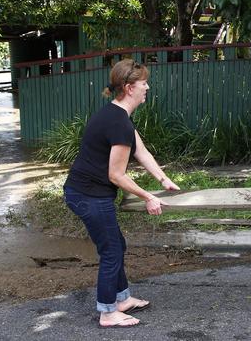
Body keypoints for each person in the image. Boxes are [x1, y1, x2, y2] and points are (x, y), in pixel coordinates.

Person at [63, 59, 180, 328]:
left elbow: (141, 151)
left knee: (117, 245)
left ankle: (121, 298)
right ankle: (108, 312)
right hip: (89, 195)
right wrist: (148, 196)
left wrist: (163, 179)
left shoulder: (117, 115)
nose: (147, 87)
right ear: (129, 88)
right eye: (143, 83)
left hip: (87, 193)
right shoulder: (118, 123)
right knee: (111, 250)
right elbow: (115, 175)